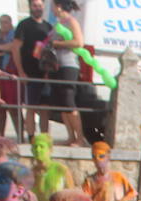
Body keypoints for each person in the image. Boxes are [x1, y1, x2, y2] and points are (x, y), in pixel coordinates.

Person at [3, 0, 53, 139]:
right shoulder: (23, 25)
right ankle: (31, 137)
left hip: (44, 74)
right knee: (30, 107)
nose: (37, 8)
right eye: (34, 5)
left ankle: (44, 138)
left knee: (44, 109)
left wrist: (48, 73)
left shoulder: (48, 27)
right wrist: (21, 71)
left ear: (43, 7)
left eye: (39, 5)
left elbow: (49, 51)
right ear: (30, 7)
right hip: (29, 72)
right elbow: (15, 48)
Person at [48, 0, 87, 146]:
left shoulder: (71, 22)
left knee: (69, 101)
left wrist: (58, 44)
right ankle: (71, 136)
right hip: (56, 65)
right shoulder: (57, 24)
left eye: (52, 5)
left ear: (58, 6)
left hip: (69, 65)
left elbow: (78, 42)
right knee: (62, 104)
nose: (51, 8)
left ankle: (80, 137)